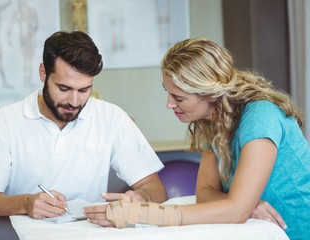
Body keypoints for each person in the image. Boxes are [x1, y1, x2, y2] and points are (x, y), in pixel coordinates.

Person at [83, 38, 310, 240]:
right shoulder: (213, 122)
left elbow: (235, 211)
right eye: (168, 93)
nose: (169, 104)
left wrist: (140, 214)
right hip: (256, 230)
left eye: (178, 97)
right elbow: (205, 192)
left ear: (209, 92)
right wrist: (244, 206)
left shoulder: (261, 116)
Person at [0, 31, 167, 219]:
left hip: (89, 233)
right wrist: (26, 203)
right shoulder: (5, 121)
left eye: (84, 90)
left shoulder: (112, 118)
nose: (74, 101)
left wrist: (140, 197)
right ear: (43, 73)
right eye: (64, 88)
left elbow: (155, 188)